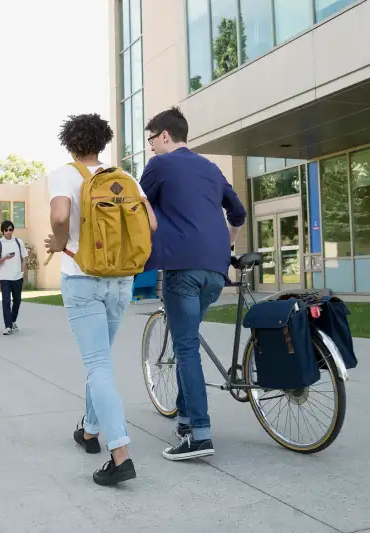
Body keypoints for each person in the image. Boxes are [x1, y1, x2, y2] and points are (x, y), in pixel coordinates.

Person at [44, 113, 157, 486]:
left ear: (70, 143)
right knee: (101, 361)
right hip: (122, 279)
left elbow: (60, 215)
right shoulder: (124, 178)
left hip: (82, 278)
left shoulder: (65, 175)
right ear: (103, 142)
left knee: (98, 366)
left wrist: (59, 242)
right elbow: (151, 224)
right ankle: (90, 430)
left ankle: (120, 453)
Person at [140, 106, 247, 461]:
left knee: (185, 347)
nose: (151, 147)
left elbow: (136, 209)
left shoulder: (159, 166)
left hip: (181, 267)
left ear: (165, 136)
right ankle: (185, 419)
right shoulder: (211, 168)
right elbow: (238, 214)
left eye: (152, 140)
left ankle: (199, 435)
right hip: (216, 271)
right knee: (188, 340)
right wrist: (227, 244)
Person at [0, 220, 28, 335]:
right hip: (5, 278)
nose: (8, 232)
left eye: (10, 229)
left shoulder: (18, 242)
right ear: (2, 231)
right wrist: (5, 258)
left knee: (17, 301)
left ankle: (12, 321)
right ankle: (7, 326)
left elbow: (24, 258)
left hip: (17, 277)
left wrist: (23, 271)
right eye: (6, 230)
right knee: (6, 302)